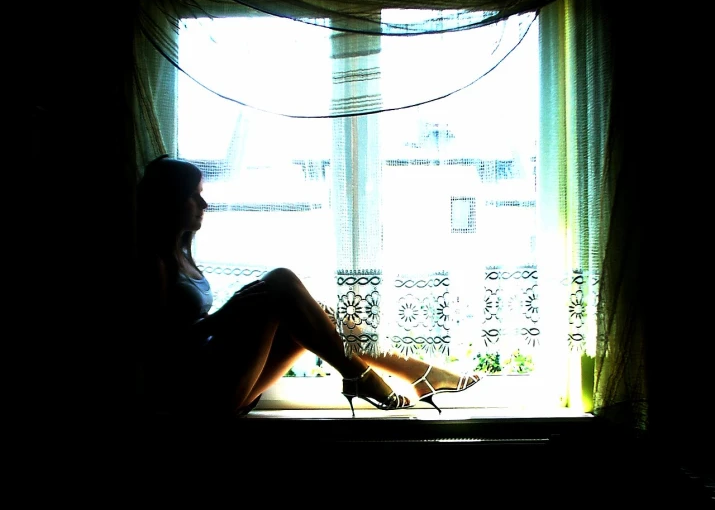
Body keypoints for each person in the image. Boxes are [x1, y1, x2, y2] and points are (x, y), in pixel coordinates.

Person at [136, 154, 484, 421]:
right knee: (280, 280)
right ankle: (376, 375)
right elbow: (155, 352)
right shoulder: (152, 262)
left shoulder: (181, 254)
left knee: (313, 311)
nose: (204, 205)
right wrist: (226, 315)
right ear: (169, 200)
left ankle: (412, 371)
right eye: (195, 197)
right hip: (193, 398)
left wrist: (233, 314)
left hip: (217, 381)